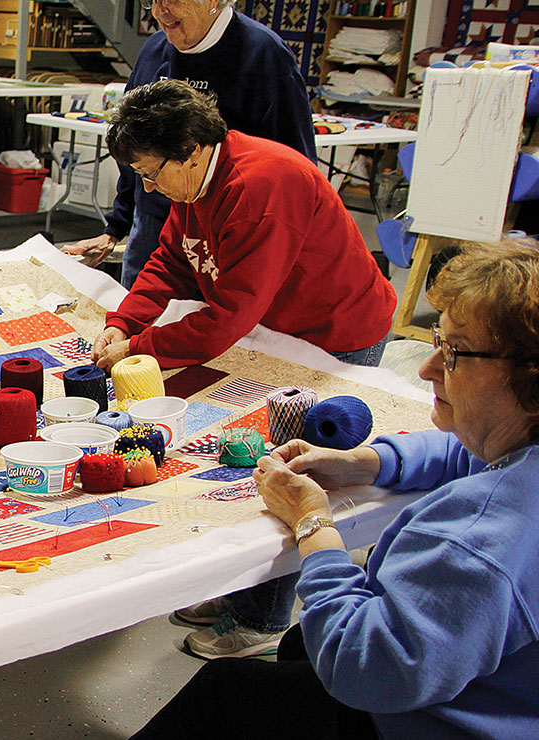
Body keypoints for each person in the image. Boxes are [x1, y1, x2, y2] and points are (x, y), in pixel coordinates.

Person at [133, 239, 539, 738]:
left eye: (454, 353)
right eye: (437, 341)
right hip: (508, 694)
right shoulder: (521, 447)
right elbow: (469, 453)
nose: (428, 368)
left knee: (226, 690)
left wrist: (314, 525)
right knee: (300, 645)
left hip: (439, 722)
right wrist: (361, 463)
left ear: (528, 380)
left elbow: (365, 672)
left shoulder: (479, 541)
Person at [91, 79, 395, 660]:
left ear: (193, 152)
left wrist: (144, 348)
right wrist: (125, 321)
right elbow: (173, 258)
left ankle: (265, 618)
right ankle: (242, 593)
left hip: (336, 334)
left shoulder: (262, 186)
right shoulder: (196, 183)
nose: (148, 186)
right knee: (247, 457)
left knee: (289, 467)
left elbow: (229, 316)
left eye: (152, 174)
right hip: (281, 332)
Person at [60, 0, 315, 288]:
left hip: (226, 234)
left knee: (216, 324)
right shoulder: (155, 51)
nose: (159, 10)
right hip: (154, 227)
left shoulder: (264, 55)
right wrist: (115, 227)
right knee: (137, 321)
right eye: (152, 0)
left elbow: (297, 169)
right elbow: (134, 150)